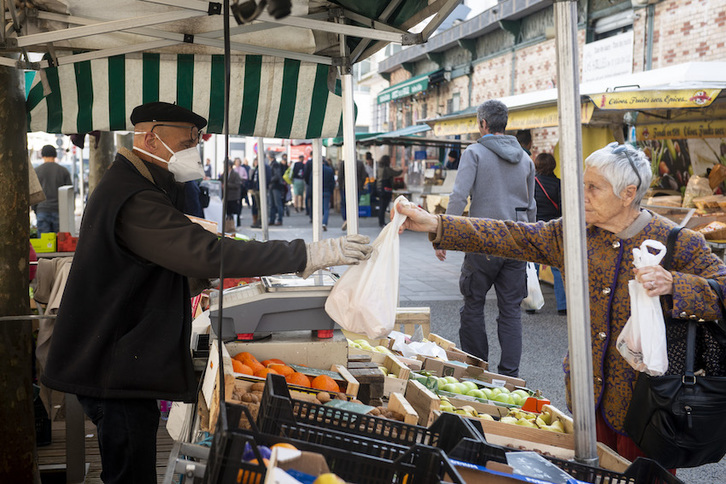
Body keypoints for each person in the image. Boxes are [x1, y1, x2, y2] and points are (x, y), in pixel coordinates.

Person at [41, 101, 372, 484]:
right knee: (130, 473)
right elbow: (205, 253)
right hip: (114, 370)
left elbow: (160, 262)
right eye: (187, 142)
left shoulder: (143, 185)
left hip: (121, 361)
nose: (193, 152)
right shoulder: (132, 196)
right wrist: (307, 253)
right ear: (151, 137)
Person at [396, 141, 726, 464]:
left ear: (628, 193)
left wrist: (676, 285)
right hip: (587, 397)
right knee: (591, 471)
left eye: (593, 187)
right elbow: (511, 235)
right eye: (582, 184)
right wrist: (437, 224)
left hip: (652, 403)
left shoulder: (677, 242)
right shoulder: (572, 234)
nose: (582, 195)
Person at [436, 99, 536, 377]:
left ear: (482, 124)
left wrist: (445, 235)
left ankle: (477, 370)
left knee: (473, 303)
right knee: (511, 312)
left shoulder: (475, 152)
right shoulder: (526, 158)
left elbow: (459, 196)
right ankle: (509, 375)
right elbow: (531, 208)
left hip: (482, 240)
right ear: (505, 123)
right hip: (517, 240)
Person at [533, 152, 566, 315]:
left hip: (535, 228)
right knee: (557, 267)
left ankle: (531, 303)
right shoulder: (559, 184)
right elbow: (562, 209)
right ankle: (562, 305)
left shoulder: (532, 183)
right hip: (553, 229)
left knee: (532, 267)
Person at [33, 144, 72, 235]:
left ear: (42, 155)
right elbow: (69, 193)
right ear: (55, 155)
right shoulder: (63, 171)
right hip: (59, 211)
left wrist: (36, 209)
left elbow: (34, 193)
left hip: (42, 209)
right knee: (59, 243)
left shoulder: (37, 171)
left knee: (45, 244)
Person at [338, 158, 367, 231]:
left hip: (345, 187)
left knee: (344, 204)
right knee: (355, 204)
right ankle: (352, 220)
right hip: (357, 187)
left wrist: (340, 186)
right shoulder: (360, 163)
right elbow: (364, 176)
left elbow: (340, 176)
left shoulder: (343, 163)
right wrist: (361, 185)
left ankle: (345, 219)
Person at [375, 155, 404, 228]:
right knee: (383, 206)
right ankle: (382, 222)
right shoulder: (387, 169)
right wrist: (402, 169)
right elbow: (396, 173)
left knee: (382, 206)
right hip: (385, 189)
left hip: (380, 188)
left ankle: (381, 221)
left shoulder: (379, 169)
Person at [221, 159, 243, 232]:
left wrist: (227, 185)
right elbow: (219, 180)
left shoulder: (235, 174)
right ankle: (229, 225)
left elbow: (237, 185)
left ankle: (237, 225)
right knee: (228, 212)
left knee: (235, 211)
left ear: (229, 166)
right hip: (227, 197)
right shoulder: (224, 174)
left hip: (234, 196)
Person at [267, 153, 285, 226]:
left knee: (277, 204)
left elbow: (277, 175)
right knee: (272, 204)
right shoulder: (272, 164)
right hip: (272, 186)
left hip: (276, 186)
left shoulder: (275, 164)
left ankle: (279, 219)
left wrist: (269, 180)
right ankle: (272, 219)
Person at [322, 158, 335, 231]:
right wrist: (331, 191)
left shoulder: (316, 170)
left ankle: (318, 223)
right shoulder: (329, 170)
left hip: (318, 191)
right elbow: (332, 182)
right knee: (326, 208)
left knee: (319, 208)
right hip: (327, 191)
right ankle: (324, 222)